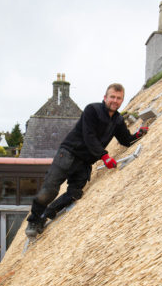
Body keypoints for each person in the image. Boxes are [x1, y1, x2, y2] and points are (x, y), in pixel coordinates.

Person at [25, 83, 148, 237]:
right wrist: (104, 156)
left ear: (122, 100)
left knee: (74, 194)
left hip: (84, 163)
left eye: (119, 98)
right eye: (112, 97)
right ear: (105, 98)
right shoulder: (92, 110)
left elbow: (125, 139)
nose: (115, 101)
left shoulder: (117, 120)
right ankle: (34, 219)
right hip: (69, 153)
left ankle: (46, 215)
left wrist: (138, 135)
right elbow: (88, 136)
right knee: (49, 190)